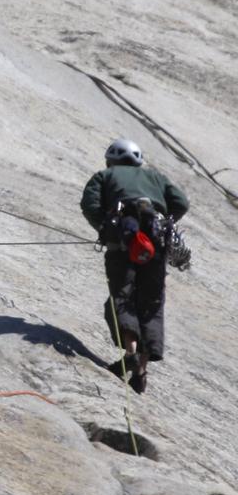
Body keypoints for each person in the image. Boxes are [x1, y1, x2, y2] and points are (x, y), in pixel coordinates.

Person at [80, 138, 189, 394]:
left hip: (123, 245)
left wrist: (104, 229)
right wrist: (165, 220)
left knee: (123, 295)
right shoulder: (156, 178)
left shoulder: (104, 175)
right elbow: (181, 203)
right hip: (156, 245)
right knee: (150, 303)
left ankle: (130, 353)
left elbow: (90, 205)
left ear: (112, 159)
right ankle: (141, 369)